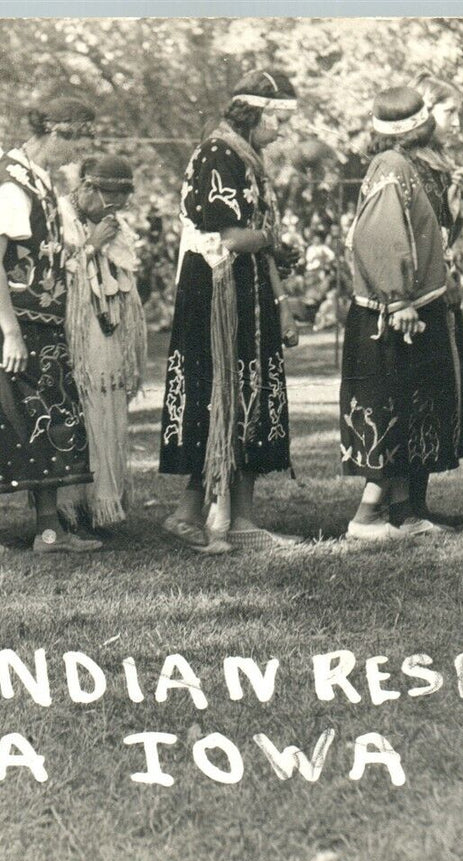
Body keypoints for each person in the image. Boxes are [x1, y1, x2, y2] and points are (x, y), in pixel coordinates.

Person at [340, 85, 463, 543]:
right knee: (393, 413)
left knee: (411, 412)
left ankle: (405, 514)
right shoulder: (391, 166)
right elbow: (379, 234)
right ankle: (367, 517)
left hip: (414, 306)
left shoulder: (402, 164)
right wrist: (398, 299)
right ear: (418, 124)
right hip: (395, 313)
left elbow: (427, 235)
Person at [158, 69, 303, 553]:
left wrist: (281, 301)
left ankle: (238, 519)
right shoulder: (219, 155)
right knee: (218, 395)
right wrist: (271, 240)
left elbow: (254, 240)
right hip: (216, 296)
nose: (281, 130)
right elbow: (234, 237)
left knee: (247, 395)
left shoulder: (245, 156)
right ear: (253, 112)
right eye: (278, 119)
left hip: (247, 293)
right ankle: (190, 513)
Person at [0, 97, 101, 555]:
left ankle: (49, 531)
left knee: (50, 416)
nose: (77, 156)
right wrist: (11, 332)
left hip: (41, 323)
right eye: (76, 145)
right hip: (8, 326)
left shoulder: (38, 180)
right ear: (56, 133)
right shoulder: (13, 184)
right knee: (3, 418)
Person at [58, 154, 149, 529]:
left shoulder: (115, 225)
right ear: (87, 188)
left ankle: (102, 503)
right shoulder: (60, 216)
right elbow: (53, 274)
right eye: (108, 199)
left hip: (109, 329)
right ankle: (69, 507)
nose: (114, 208)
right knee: (80, 411)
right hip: (74, 332)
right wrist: (92, 245)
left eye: (121, 201)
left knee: (109, 407)